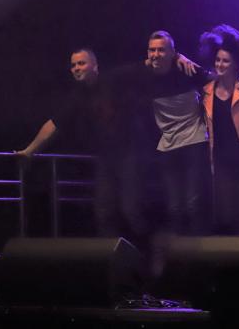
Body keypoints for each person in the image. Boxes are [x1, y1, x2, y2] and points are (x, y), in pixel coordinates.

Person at [16, 49, 148, 247]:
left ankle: (149, 253)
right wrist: (29, 151)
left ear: (95, 66)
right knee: (104, 212)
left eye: (81, 63)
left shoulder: (113, 79)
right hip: (106, 158)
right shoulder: (78, 96)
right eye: (73, 65)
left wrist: (177, 57)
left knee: (131, 209)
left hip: (131, 154)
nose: (76, 68)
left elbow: (144, 66)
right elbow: (54, 124)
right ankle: (112, 258)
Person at [144, 31, 212, 235]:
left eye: (161, 50)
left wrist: (184, 58)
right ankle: (179, 250)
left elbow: (218, 79)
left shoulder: (187, 69)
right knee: (174, 206)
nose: (156, 54)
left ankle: (199, 248)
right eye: (152, 50)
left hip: (194, 141)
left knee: (193, 202)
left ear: (172, 53)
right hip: (168, 145)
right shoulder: (145, 75)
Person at [199, 24, 239, 234]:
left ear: (236, 63)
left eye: (225, 61)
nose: (220, 64)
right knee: (226, 214)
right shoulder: (207, 90)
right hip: (220, 158)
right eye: (218, 60)